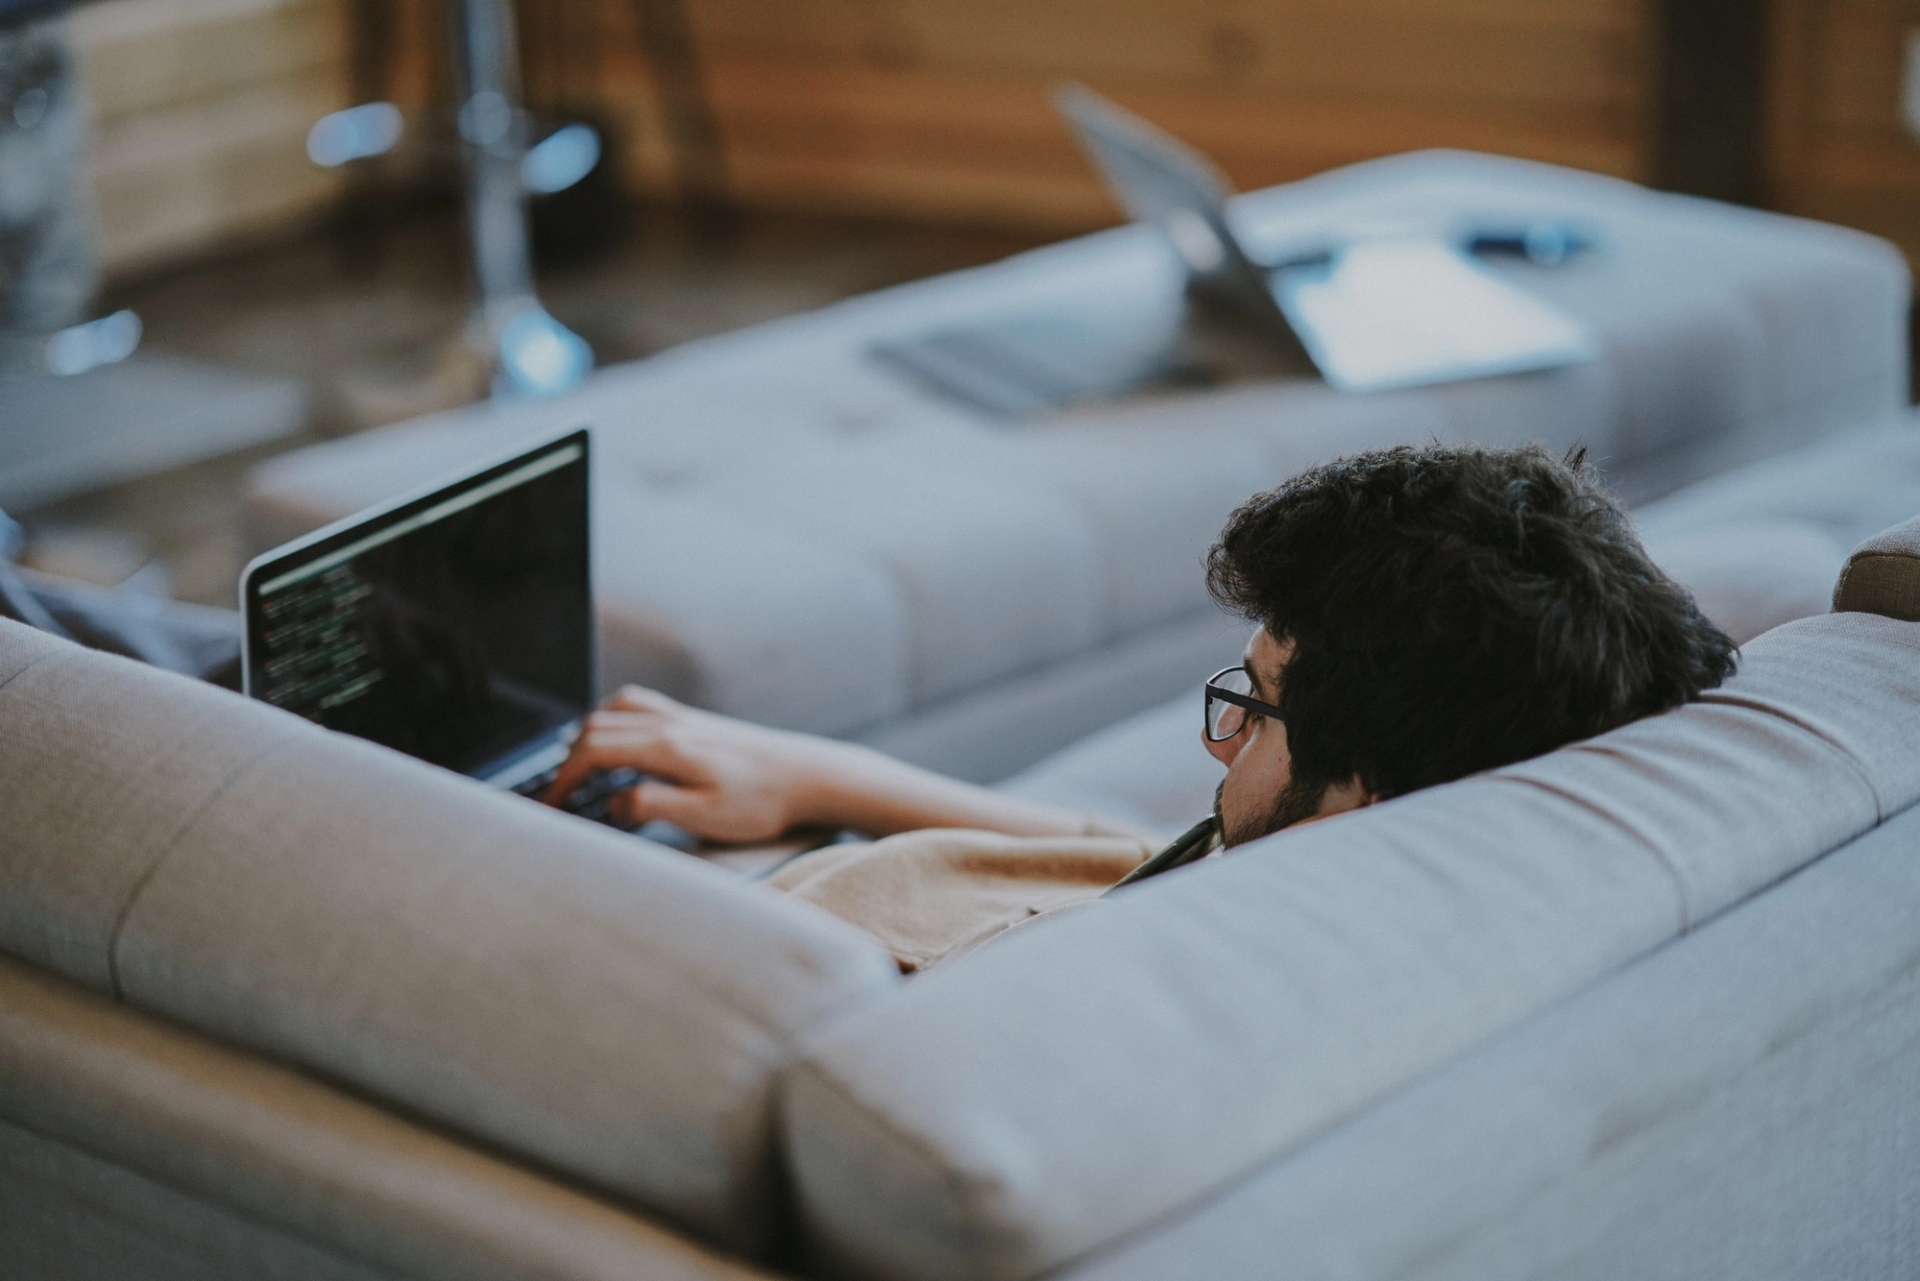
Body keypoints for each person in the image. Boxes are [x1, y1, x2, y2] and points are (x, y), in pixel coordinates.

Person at [546, 443, 1738, 969]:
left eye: (1257, 708)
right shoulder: (1462, 830)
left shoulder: (1064, 1015)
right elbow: (1125, 853)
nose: (1224, 743)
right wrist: (815, 773)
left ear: (1364, 791)